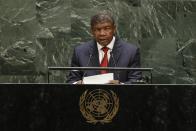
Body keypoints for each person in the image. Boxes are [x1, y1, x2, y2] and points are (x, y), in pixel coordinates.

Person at [67, 11, 142, 84]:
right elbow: (71, 81)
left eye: (107, 28)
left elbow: (136, 81)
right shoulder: (80, 52)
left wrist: (121, 85)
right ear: (92, 31)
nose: (102, 33)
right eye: (98, 29)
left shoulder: (131, 52)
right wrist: (77, 84)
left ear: (114, 29)